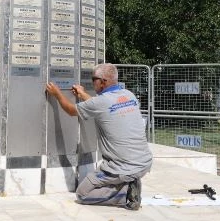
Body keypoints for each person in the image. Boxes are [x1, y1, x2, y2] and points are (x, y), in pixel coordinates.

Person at [45, 63, 152, 210]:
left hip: (120, 167)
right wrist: (82, 94)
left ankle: (127, 193)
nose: (91, 81)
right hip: (144, 162)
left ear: (103, 82)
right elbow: (104, 108)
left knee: (83, 193)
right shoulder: (129, 95)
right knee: (114, 179)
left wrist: (57, 93)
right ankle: (130, 182)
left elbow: (71, 110)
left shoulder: (101, 102)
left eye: (93, 78)